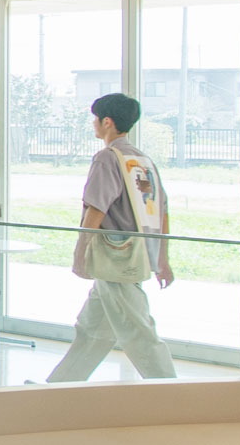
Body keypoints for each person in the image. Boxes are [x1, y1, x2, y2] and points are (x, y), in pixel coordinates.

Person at [46, 93, 178, 382]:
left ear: (107, 122)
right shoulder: (142, 160)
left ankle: (169, 391)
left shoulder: (107, 158)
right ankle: (60, 388)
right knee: (92, 330)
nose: (93, 123)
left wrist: (80, 252)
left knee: (139, 332)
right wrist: (161, 260)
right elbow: (161, 212)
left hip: (114, 260)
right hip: (134, 255)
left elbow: (96, 209)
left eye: (95, 118)